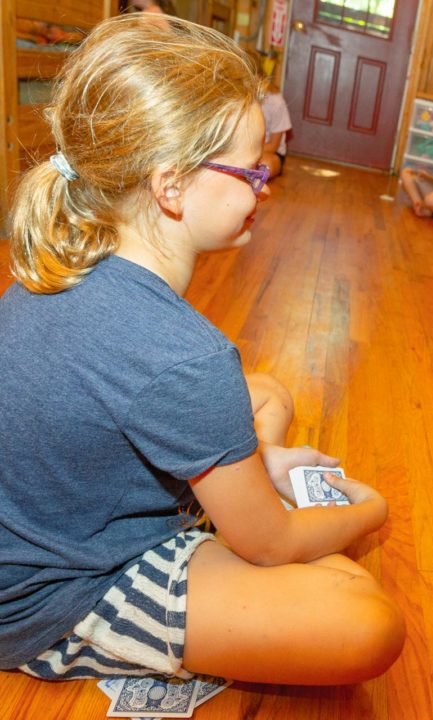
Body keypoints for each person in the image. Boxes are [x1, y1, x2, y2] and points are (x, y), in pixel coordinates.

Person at [0, 15, 404, 684]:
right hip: (45, 593)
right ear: (171, 185)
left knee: (267, 392)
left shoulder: (68, 264)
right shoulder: (183, 355)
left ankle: (237, 492)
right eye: (250, 168)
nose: (266, 181)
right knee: (363, 619)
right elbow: (271, 545)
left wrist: (258, 469)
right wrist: (371, 510)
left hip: (48, 515)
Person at [257, 54, 292, 178]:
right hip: (243, 151)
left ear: (260, 78)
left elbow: (273, 146)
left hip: (270, 153)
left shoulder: (276, 102)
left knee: (264, 166)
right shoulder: (234, 98)